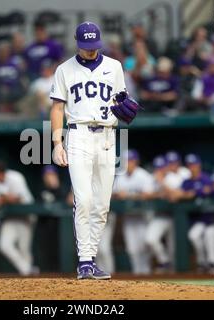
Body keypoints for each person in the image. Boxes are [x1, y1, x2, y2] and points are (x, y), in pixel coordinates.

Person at [50, 21, 127, 280]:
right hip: (79, 134)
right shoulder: (64, 70)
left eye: (94, 46)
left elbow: (121, 101)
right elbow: (57, 108)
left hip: (107, 136)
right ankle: (84, 261)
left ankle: (90, 258)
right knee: (83, 200)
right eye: (86, 46)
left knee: (102, 205)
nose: (91, 51)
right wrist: (57, 143)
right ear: (77, 43)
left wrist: (124, 109)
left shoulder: (114, 67)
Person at [0, 160, 37, 276]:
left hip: (26, 215)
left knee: (24, 248)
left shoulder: (15, 177)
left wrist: (3, 199)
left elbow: (17, 199)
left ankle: (30, 281)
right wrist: (3, 199)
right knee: (3, 245)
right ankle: (28, 270)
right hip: (11, 217)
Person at [112, 150, 156, 274]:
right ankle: (137, 274)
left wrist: (129, 195)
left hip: (143, 215)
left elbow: (149, 194)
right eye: (125, 161)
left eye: (130, 161)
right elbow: (114, 193)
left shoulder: (143, 175)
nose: (127, 164)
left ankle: (146, 273)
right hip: (129, 217)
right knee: (131, 249)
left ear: (135, 161)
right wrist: (118, 195)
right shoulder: (121, 176)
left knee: (144, 247)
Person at [145, 155, 175, 273]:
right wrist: (159, 194)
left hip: (176, 217)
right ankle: (164, 261)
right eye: (157, 168)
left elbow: (174, 196)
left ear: (166, 167)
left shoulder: (173, 177)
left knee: (174, 249)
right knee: (150, 239)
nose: (159, 170)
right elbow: (146, 195)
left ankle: (180, 280)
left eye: (161, 167)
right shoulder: (152, 178)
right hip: (160, 216)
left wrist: (162, 183)